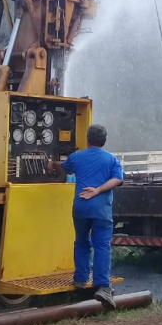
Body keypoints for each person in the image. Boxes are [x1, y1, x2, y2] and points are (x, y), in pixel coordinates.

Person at [49, 124, 123, 309]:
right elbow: (118, 179)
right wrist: (98, 190)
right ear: (104, 141)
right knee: (102, 245)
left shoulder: (77, 157)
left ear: (87, 139)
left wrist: (51, 163)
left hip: (81, 208)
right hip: (101, 211)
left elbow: (63, 167)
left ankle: (81, 280)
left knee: (81, 242)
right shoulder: (111, 160)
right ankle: (103, 287)